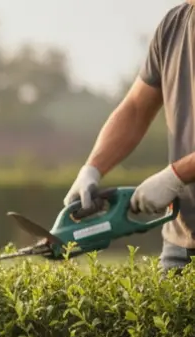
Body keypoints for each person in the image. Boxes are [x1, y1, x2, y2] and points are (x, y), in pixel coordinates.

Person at [66, 2, 195, 271]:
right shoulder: (174, 25)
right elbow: (136, 108)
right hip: (181, 243)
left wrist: (176, 175)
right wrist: (92, 169)